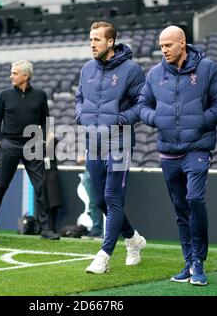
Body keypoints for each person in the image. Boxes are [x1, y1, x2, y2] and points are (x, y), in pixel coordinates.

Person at [136, 26, 217, 286]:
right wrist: (155, 119)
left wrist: (201, 121)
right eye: (161, 45)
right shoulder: (155, 74)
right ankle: (188, 261)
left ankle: (199, 261)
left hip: (197, 148)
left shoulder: (208, 68)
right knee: (180, 208)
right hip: (168, 151)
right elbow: (142, 105)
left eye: (168, 45)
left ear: (183, 43)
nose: (163, 50)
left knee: (195, 199)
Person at [75, 21, 147, 274]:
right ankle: (133, 239)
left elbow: (143, 104)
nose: (92, 43)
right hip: (93, 144)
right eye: (90, 39)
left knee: (113, 199)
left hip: (119, 143)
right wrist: (80, 116)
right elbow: (79, 98)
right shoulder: (86, 69)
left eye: (96, 39)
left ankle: (104, 256)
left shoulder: (132, 70)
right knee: (98, 200)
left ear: (110, 42)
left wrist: (121, 119)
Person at [0, 60, 59, 240]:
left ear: (25, 76)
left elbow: (46, 120)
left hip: (32, 144)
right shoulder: (4, 95)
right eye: (11, 73)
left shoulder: (40, 95)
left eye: (15, 73)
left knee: (41, 186)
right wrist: (0, 141)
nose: (11, 76)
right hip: (10, 144)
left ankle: (46, 229)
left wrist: (41, 140)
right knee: (1, 185)